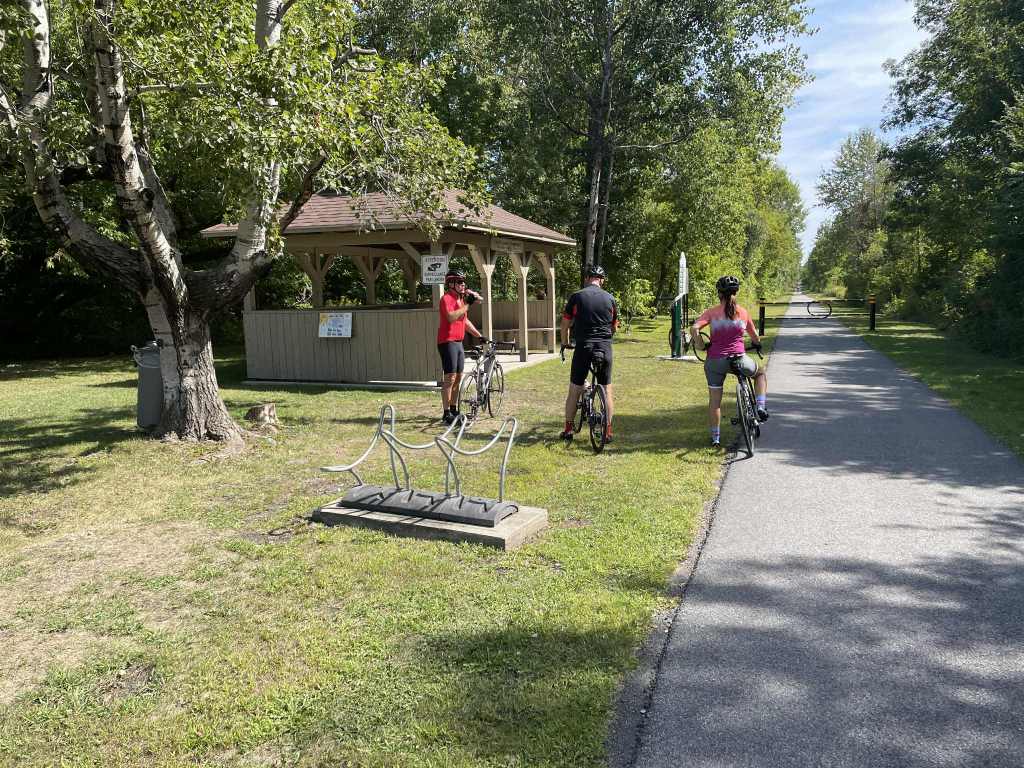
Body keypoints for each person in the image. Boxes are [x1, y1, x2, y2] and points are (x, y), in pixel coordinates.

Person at [691, 275, 769, 447]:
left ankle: (716, 438)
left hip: (715, 362)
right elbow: (755, 336)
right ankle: (761, 406)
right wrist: (757, 345)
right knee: (760, 373)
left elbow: (694, 328)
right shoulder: (743, 312)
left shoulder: (711, 312)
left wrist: (701, 345)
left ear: (719, 293)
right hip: (739, 359)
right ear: (736, 292)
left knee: (715, 401)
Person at [560, 264, 618, 442]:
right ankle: (608, 430)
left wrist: (565, 342)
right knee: (607, 389)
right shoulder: (610, 298)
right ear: (602, 280)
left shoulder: (577, 297)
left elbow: (565, 324)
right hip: (604, 346)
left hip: (584, 346)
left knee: (575, 388)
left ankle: (568, 429)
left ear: (586, 279)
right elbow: (614, 326)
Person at [437, 269, 484, 424]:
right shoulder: (446, 299)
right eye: (459, 282)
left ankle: (453, 409)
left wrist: (479, 336)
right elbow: (451, 317)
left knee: (458, 377)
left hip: (458, 343)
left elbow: (466, 321)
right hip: (447, 342)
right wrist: (467, 305)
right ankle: (446, 413)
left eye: (464, 282)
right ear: (451, 284)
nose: (463, 284)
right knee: (449, 378)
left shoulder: (461, 300)